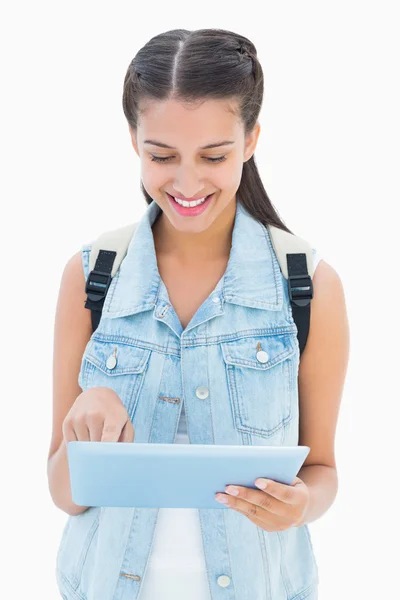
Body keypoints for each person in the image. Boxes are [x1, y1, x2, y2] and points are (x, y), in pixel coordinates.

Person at [47, 28, 350, 600]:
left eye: (214, 156)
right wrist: (80, 427)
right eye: (161, 156)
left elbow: (324, 471)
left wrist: (301, 505)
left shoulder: (308, 288)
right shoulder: (91, 279)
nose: (187, 183)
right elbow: (64, 492)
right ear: (134, 140)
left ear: (252, 139)